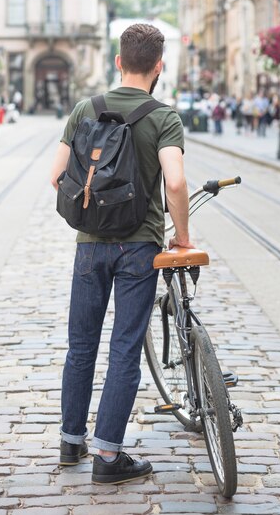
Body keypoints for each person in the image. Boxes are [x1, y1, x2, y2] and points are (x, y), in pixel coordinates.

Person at [50, 24, 194, 485]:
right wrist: (183, 238)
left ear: (117, 62)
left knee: (81, 346)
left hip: (90, 247)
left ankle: (71, 440)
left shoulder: (84, 109)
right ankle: (108, 457)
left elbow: (56, 178)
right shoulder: (164, 116)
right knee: (124, 348)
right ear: (158, 67)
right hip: (140, 247)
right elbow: (174, 183)